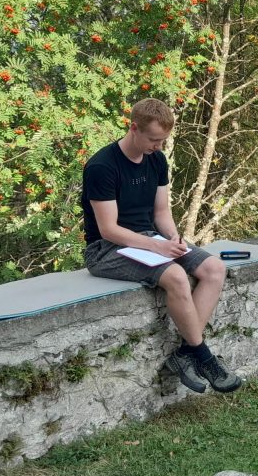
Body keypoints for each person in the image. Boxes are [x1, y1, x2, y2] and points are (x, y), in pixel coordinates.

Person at [81, 98, 242, 393]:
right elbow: (109, 229)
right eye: (154, 139)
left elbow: (161, 214)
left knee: (214, 268)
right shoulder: (102, 167)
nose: (158, 146)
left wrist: (174, 239)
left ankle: (184, 354)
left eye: (163, 140)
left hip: (149, 239)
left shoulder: (157, 160)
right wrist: (155, 248)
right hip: (106, 249)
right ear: (133, 128)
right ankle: (204, 356)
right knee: (177, 277)